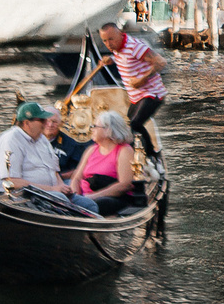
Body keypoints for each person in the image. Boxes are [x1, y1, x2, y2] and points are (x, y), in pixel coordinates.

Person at [97, 20, 167, 155]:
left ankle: (151, 155)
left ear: (120, 34)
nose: (108, 44)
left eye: (111, 39)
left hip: (152, 93)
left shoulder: (135, 46)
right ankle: (135, 153)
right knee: (130, 125)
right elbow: (125, 58)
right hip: (137, 96)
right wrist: (111, 59)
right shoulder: (118, 48)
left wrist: (142, 79)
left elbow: (161, 62)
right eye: (105, 41)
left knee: (135, 124)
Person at [63, 110, 145, 214]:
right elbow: (76, 178)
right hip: (85, 197)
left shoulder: (124, 150)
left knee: (100, 203)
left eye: (95, 126)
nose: (92, 129)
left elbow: (125, 184)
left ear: (108, 130)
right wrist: (76, 197)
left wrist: (92, 197)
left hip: (110, 198)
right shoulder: (91, 150)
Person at [0, 102, 62, 194]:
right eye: (42, 120)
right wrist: (52, 189)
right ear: (27, 123)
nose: (46, 123)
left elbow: (54, 171)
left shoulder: (42, 139)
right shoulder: (11, 140)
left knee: (83, 202)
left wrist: (62, 187)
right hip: (23, 196)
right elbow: (12, 182)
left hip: (50, 193)